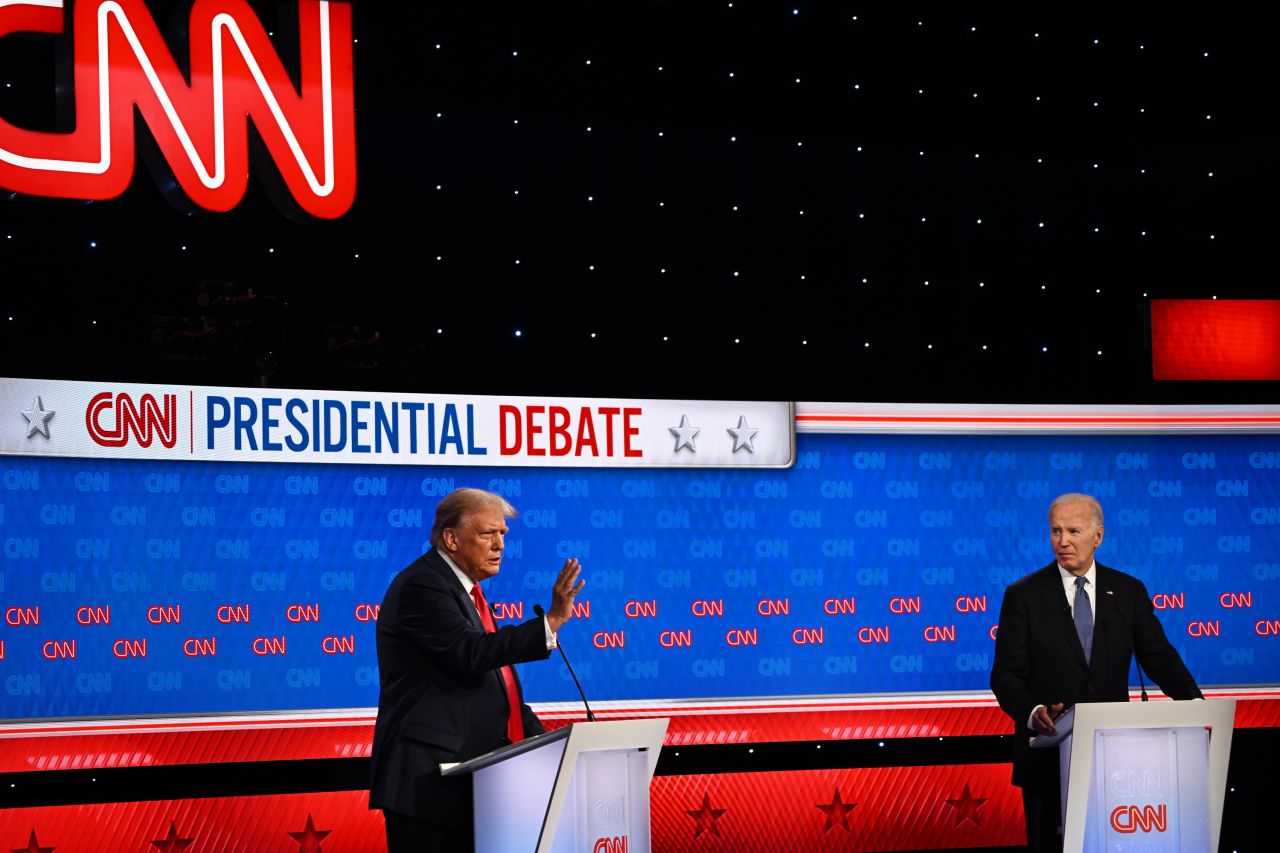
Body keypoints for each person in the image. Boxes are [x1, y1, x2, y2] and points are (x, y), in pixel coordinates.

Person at [369, 487, 585, 853]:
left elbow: (494, 689)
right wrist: (549, 622)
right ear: (452, 539)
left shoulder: (467, 594)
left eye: (503, 534)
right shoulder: (422, 585)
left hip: (473, 787)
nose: (500, 545)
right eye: (488, 534)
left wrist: (549, 742)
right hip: (429, 788)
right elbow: (470, 653)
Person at [989, 493, 1202, 853]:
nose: (1063, 541)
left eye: (1073, 530)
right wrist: (1032, 712)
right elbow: (1005, 675)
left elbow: (1159, 658)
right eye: (1055, 531)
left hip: (1118, 762)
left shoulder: (1127, 592)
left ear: (1098, 536)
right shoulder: (1023, 595)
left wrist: (1196, 706)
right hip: (1048, 761)